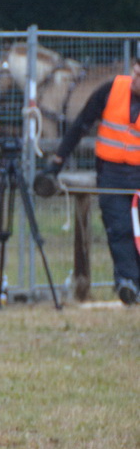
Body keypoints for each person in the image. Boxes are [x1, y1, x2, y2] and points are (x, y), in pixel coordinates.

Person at [46, 56, 140, 304]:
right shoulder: (111, 89)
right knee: (118, 229)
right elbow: (81, 125)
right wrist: (57, 161)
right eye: (137, 73)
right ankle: (128, 283)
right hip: (112, 174)